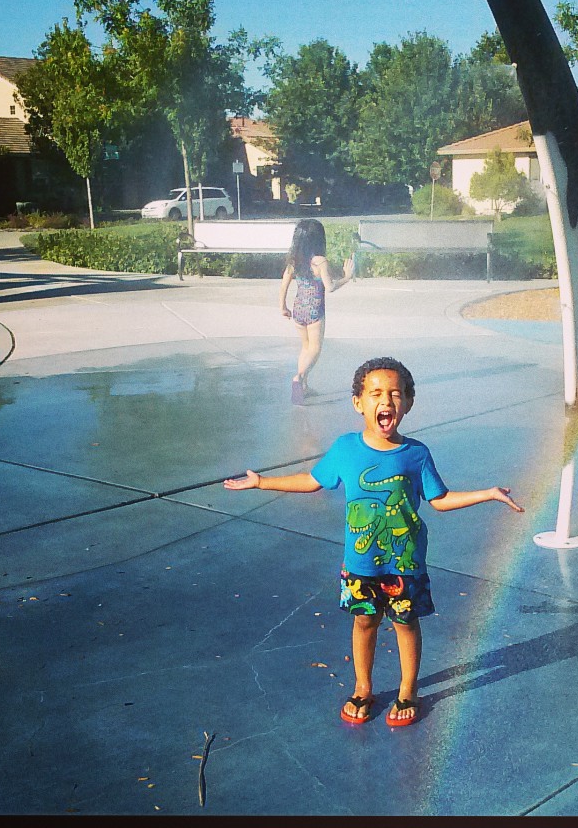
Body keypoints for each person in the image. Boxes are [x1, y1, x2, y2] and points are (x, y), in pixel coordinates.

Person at [224, 356, 524, 727]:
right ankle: (363, 687)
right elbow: (312, 480)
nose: (387, 401)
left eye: (396, 394)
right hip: (361, 564)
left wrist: (487, 493)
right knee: (364, 623)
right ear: (359, 402)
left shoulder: (416, 454)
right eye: (376, 393)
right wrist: (261, 482)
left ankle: (406, 691)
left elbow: (440, 500)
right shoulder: (346, 448)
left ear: (408, 403)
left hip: (405, 563)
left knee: (405, 624)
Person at [279, 219, 354, 404]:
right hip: (314, 310)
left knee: (305, 347)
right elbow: (330, 287)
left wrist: (282, 306)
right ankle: (299, 377)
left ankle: (303, 387)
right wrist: (347, 277)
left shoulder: (294, 260)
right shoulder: (320, 261)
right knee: (315, 349)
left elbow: (284, 283)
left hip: (298, 308)